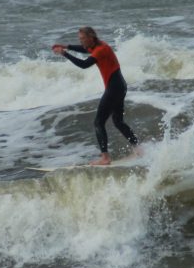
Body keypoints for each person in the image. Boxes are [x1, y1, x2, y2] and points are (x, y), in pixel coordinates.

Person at [53, 27, 139, 165]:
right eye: (79, 39)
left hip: (113, 88)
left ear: (91, 37)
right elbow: (83, 49)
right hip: (119, 86)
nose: (81, 41)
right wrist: (67, 46)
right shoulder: (98, 45)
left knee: (98, 122)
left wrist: (64, 53)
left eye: (82, 38)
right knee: (118, 121)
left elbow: (84, 64)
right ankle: (138, 149)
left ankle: (105, 158)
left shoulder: (100, 50)